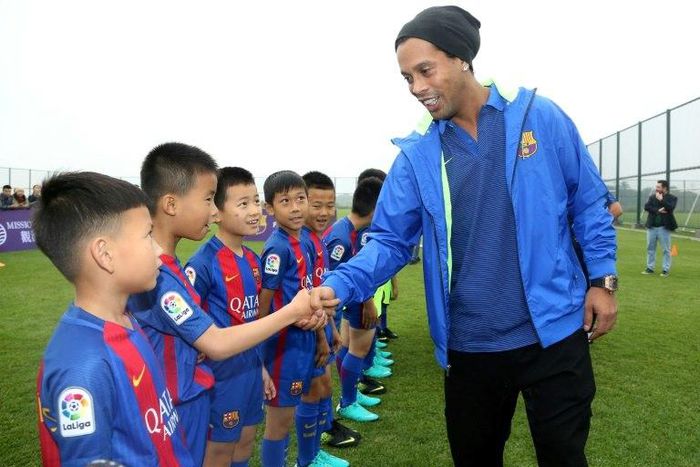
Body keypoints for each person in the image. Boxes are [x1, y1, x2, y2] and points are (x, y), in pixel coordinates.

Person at [310, 6, 618, 466]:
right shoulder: (416, 156)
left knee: (565, 457)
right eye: (407, 78)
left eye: (424, 70)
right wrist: (338, 285)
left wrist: (602, 280)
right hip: (471, 347)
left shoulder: (540, 116)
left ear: (462, 59)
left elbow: (588, 203)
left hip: (554, 334)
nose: (416, 88)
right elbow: (390, 242)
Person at [128, 144, 327, 465]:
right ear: (170, 203)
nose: (212, 210)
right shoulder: (160, 275)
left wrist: (258, 364)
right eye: (208, 199)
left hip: (224, 379)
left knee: (241, 445)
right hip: (188, 396)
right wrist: (292, 311)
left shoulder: (183, 265)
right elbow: (215, 343)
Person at [34, 172, 194, 466]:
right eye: (148, 235)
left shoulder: (126, 319)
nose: (159, 251)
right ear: (104, 254)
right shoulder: (83, 367)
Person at [184, 167, 275, 467]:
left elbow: (248, 325)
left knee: (246, 442)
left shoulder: (252, 259)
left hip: (250, 371)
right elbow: (187, 327)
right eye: (243, 203)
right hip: (220, 377)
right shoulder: (203, 263)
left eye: (256, 200)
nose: (254, 211)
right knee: (219, 451)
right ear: (217, 212)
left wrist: (260, 368)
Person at [257, 170, 330, 467]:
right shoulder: (277, 247)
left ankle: (308, 459)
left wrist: (321, 333)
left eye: (300, 199)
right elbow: (265, 300)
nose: (296, 207)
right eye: (285, 201)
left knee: (304, 401)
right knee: (279, 423)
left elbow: (308, 291)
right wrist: (260, 339)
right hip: (282, 346)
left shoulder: (307, 243)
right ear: (271, 209)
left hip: (304, 340)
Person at [324, 176, 386, 423]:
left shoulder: (350, 229)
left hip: (352, 300)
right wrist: (368, 300)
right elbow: (338, 277)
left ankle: (350, 396)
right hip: (352, 302)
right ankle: (348, 401)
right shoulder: (342, 238)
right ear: (375, 208)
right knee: (356, 349)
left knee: (350, 347)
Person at [642, 179, 677, 277]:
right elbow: (646, 207)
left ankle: (665, 270)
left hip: (664, 228)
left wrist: (662, 200)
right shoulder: (652, 197)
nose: (656, 188)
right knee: (650, 248)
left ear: (664, 188)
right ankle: (650, 268)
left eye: (658, 187)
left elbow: (670, 208)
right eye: (656, 186)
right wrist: (658, 210)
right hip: (651, 227)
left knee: (666, 250)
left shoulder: (672, 198)